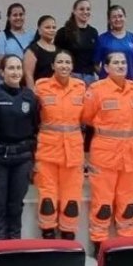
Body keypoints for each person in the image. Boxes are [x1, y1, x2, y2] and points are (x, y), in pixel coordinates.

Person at [82, 51, 133, 254]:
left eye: (123, 62)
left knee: (128, 202)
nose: (120, 65)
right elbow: (87, 117)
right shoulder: (96, 90)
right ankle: (99, 244)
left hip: (131, 153)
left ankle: (127, 243)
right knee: (103, 203)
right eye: (115, 62)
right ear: (106, 68)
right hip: (105, 153)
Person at [0, 55, 39, 240]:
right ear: (2, 72)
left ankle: (14, 242)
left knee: (16, 203)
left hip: (22, 158)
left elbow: (36, 125)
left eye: (18, 68)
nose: (15, 72)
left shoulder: (30, 97)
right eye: (11, 68)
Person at [34, 50, 86, 240]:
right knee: (47, 197)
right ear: (53, 66)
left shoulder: (81, 87)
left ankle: (68, 234)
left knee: (71, 197)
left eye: (67, 62)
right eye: (60, 62)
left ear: (72, 66)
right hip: (48, 150)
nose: (64, 66)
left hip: (73, 151)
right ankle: (47, 233)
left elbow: (87, 116)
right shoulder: (41, 87)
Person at [54, 0, 99, 86]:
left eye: (88, 9)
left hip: (90, 77)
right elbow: (57, 56)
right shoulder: (64, 32)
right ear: (74, 11)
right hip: (70, 76)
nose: (85, 12)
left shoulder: (93, 32)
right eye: (81, 9)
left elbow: (94, 58)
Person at [94, 5, 133, 81]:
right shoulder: (102, 39)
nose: (118, 19)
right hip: (107, 85)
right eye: (114, 17)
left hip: (128, 83)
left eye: (120, 16)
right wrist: (104, 76)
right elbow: (96, 64)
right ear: (109, 20)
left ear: (125, 18)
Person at [23, 15, 57, 87]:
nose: (51, 30)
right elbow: (28, 75)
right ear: (39, 30)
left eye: (54, 28)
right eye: (47, 27)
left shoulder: (58, 50)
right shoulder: (32, 50)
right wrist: (33, 94)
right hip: (39, 91)